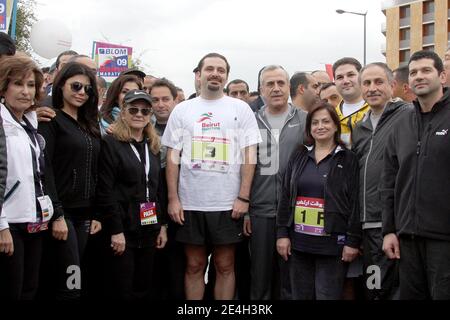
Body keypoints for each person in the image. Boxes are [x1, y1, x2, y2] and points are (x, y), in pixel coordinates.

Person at [162, 52, 261, 300]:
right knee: (194, 265)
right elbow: (172, 157)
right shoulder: (183, 110)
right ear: (199, 73)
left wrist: (243, 198)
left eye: (221, 70)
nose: (215, 73)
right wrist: (173, 199)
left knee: (225, 266)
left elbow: (250, 156)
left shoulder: (241, 109)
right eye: (210, 69)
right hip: (190, 203)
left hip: (227, 203)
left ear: (226, 75)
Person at [382, 50, 450, 300]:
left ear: (442, 76)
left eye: (426, 70)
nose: (419, 76)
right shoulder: (401, 124)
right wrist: (389, 230)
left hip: (444, 240)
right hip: (407, 239)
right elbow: (389, 181)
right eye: (413, 72)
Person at [276, 102, 361, 300]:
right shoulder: (299, 156)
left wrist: (353, 240)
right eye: (315, 123)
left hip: (333, 245)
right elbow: (286, 195)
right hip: (299, 244)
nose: (320, 126)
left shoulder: (348, 159)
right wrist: (282, 233)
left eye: (325, 121)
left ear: (335, 126)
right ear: (309, 128)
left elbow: (355, 202)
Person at [38, 62, 102, 300]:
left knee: (74, 275)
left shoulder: (90, 125)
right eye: (76, 86)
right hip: (62, 214)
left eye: (87, 89)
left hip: (85, 215)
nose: (81, 93)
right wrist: (57, 214)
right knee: (70, 279)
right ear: (61, 84)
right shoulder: (50, 120)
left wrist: (96, 213)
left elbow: (95, 171)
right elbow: (46, 170)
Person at [96, 89, 167, 300]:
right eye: (133, 109)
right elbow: (105, 190)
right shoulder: (111, 143)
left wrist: (162, 226)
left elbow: (157, 189)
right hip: (122, 229)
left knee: (143, 287)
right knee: (122, 288)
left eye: (145, 111)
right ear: (123, 112)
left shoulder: (152, 146)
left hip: (148, 228)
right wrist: (116, 230)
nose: (139, 114)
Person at [246, 65, 307, 300]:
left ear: (288, 86)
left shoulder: (305, 119)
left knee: (290, 278)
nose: (276, 88)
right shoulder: (250, 121)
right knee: (260, 278)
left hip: (296, 212)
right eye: (270, 84)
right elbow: (243, 168)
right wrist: (247, 213)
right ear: (261, 89)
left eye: (280, 83)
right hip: (261, 211)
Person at [352, 62, 410, 300]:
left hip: (395, 224)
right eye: (366, 83)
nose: (372, 88)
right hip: (367, 225)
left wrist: (393, 225)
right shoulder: (360, 127)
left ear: (392, 85)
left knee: (396, 287)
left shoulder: (408, 116)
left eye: (379, 82)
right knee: (374, 285)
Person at [0, 55, 50, 300]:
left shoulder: (30, 122)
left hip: (34, 220)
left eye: (31, 85)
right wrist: (1, 227)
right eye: (18, 84)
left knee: (29, 288)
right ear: (4, 86)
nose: (25, 91)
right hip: (8, 223)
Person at [333, 57, 370, 147]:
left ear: (361, 77)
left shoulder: (376, 109)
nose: (345, 81)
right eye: (340, 77)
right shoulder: (332, 115)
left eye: (350, 75)